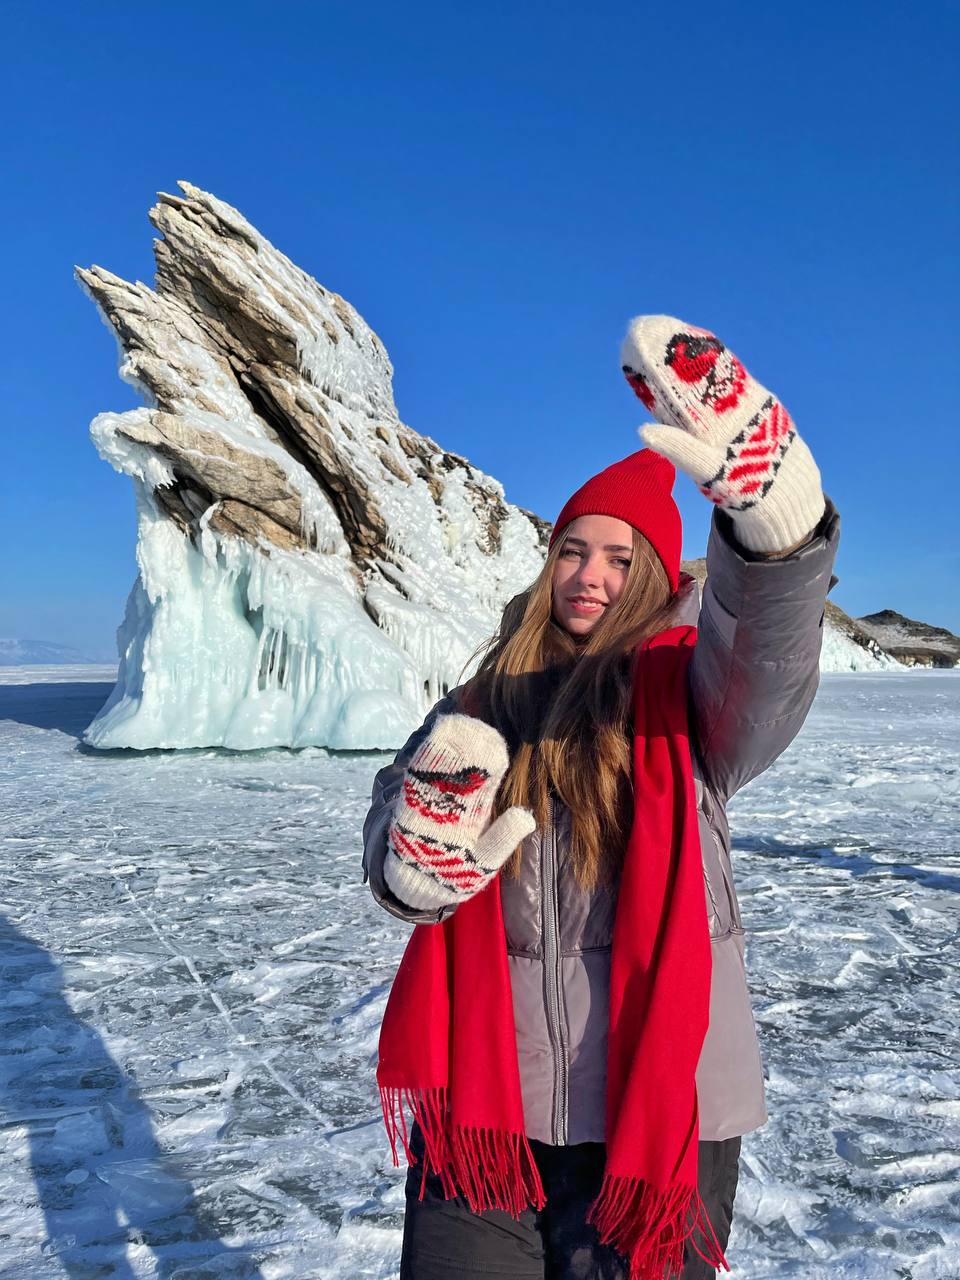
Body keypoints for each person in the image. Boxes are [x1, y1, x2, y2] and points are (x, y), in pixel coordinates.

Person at [362, 315, 840, 1280]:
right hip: (487, 1108)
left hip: (655, 1109)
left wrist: (776, 539)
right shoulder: (482, 700)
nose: (589, 577)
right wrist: (409, 868)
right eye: (573, 551)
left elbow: (767, 659)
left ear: (656, 574)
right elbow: (395, 816)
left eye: (620, 559)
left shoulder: (694, 705)